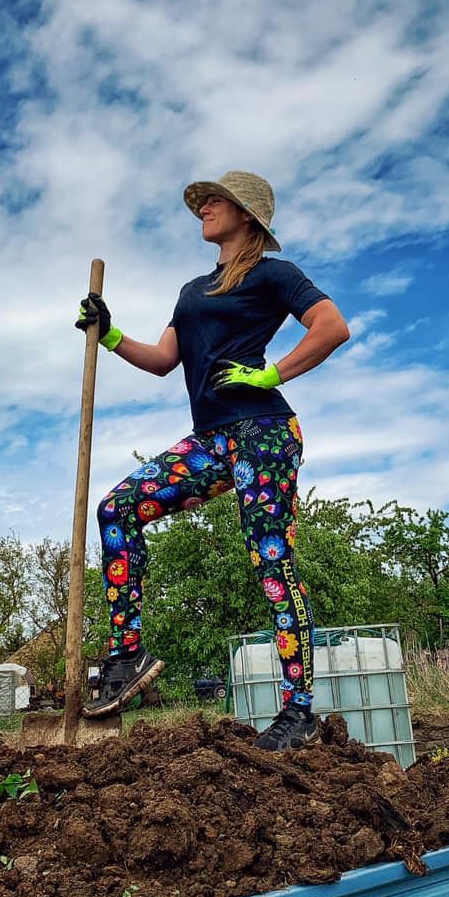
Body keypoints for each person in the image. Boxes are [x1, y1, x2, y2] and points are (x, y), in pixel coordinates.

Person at [75, 171, 350, 751]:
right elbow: (161, 359)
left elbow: (332, 327)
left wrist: (273, 372)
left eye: (215, 202)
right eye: (203, 202)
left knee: (270, 560)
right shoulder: (192, 290)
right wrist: (108, 332)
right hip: (210, 441)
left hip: (265, 434)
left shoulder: (276, 275)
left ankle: (299, 711)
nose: (203, 208)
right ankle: (128, 655)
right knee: (115, 510)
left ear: (246, 216)